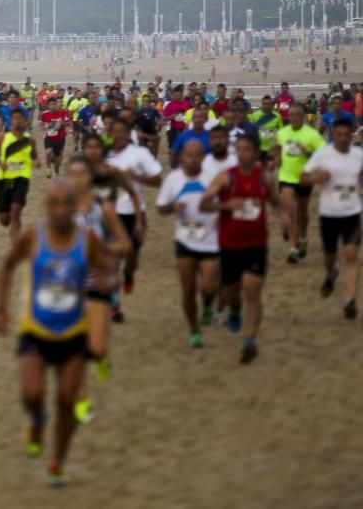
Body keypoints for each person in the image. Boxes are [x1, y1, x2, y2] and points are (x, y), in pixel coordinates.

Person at [0, 179, 108, 487]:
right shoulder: (33, 236)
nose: (60, 210)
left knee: (67, 400)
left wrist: (102, 293)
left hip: (73, 331)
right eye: (54, 203)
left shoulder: (88, 240)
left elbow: (105, 271)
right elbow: (7, 266)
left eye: (66, 204)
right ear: (46, 206)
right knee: (31, 393)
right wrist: (2, 309)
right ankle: (37, 420)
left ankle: (58, 459)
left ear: (75, 207)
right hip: (35, 328)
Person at [201, 135, 285, 364]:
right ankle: (234, 311)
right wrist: (226, 204)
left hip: (257, 243)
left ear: (256, 152)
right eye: (238, 149)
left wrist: (285, 217)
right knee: (231, 292)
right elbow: (204, 203)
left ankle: (249, 340)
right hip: (229, 244)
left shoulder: (264, 178)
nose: (241, 153)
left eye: (247, 149)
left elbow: (276, 202)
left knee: (252, 289)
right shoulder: (226, 177)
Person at [66, 155, 130, 423]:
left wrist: (101, 251)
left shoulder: (103, 209)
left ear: (90, 177)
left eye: (82, 173)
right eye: (73, 174)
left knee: (96, 348)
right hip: (70, 283)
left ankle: (102, 357)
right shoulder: (62, 210)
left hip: (97, 281)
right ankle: (81, 397)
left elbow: (123, 243)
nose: (77, 179)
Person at [157, 140, 220, 348]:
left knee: (208, 287)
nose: (193, 159)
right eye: (189, 155)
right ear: (182, 157)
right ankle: (194, 330)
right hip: (185, 240)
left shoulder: (213, 178)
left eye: (197, 155)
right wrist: (172, 207)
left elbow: (224, 204)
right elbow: (161, 208)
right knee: (188, 289)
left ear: (203, 157)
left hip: (210, 240)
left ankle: (209, 303)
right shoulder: (173, 179)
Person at [300, 118, 363, 319]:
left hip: (352, 213)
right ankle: (330, 273)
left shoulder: (359, 156)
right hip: (329, 214)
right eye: (339, 134)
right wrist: (316, 178)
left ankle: (350, 300)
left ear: (352, 135)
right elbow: (303, 177)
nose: (343, 138)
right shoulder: (322, 155)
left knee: (351, 254)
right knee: (330, 257)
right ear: (333, 134)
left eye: (347, 135)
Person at [105, 118, 162, 298]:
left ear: (129, 133)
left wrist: (137, 176)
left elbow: (158, 180)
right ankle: (113, 302)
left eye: (123, 131)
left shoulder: (140, 154)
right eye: (116, 131)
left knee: (132, 256)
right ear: (110, 133)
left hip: (135, 211)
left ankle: (128, 274)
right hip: (111, 212)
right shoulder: (104, 155)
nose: (119, 135)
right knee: (112, 258)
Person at [274, 103, 326, 264]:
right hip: (286, 177)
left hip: (304, 178)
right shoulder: (283, 132)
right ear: (288, 116)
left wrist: (308, 153)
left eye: (298, 115)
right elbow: (277, 147)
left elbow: (323, 154)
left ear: (303, 116)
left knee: (302, 213)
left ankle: (303, 239)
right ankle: (294, 247)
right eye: (292, 115)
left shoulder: (311, 135)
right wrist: (277, 158)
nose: (295, 118)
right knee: (290, 211)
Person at [0, 108, 40, 245]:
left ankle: (16, 246)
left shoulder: (30, 140)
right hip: (4, 179)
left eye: (20, 118)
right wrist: (0, 161)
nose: (18, 121)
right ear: (11, 120)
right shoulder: (3, 138)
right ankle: (6, 217)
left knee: (16, 212)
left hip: (22, 178)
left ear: (25, 121)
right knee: (4, 220)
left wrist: (36, 162)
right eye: (15, 118)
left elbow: (34, 157)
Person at [41, 96, 72, 178]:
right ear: (48, 105)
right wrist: (43, 128)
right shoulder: (44, 114)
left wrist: (63, 123)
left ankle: (56, 172)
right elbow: (42, 124)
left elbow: (69, 123)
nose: (53, 106)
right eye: (50, 104)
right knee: (48, 152)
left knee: (57, 157)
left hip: (59, 138)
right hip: (49, 137)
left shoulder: (62, 113)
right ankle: (48, 169)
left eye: (54, 104)